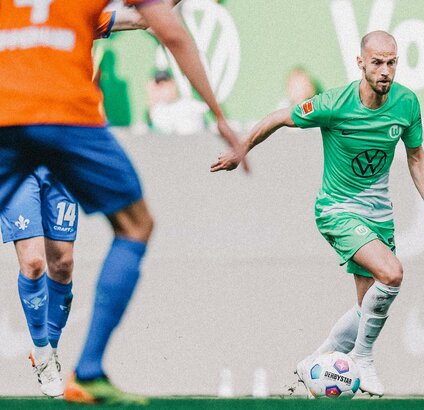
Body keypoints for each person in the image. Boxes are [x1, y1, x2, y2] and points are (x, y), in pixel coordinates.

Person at [0, 0, 247, 405]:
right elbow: (166, 27)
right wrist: (218, 115)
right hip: (55, 121)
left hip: (44, 127)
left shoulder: (77, 16)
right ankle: (66, 359)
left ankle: (70, 363)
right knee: (39, 259)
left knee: (63, 263)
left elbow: (139, 18)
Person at [211, 30, 424, 397]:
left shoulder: (406, 103)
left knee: (367, 304)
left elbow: (415, 155)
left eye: (392, 62)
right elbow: (280, 116)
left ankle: (315, 361)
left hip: (379, 213)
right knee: (393, 273)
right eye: (377, 62)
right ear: (361, 63)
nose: (385, 70)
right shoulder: (335, 103)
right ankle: (363, 359)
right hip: (337, 209)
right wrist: (242, 148)